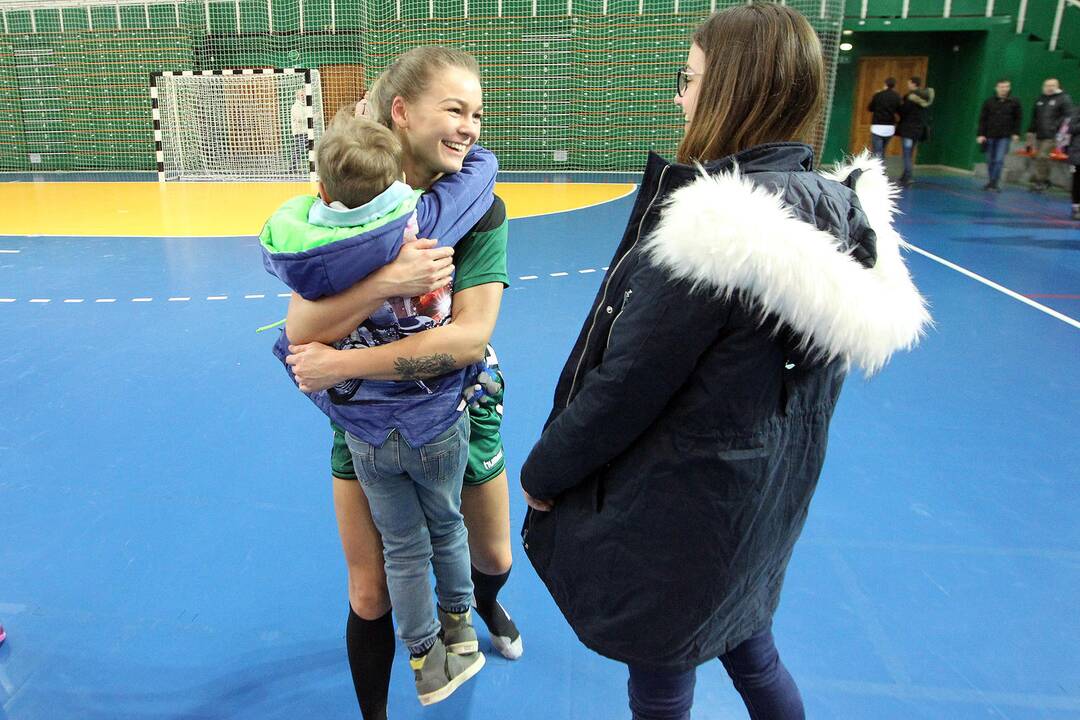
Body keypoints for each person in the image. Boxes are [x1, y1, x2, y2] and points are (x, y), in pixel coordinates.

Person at [518, 5, 931, 720]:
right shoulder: (840, 212)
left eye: (691, 78)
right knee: (752, 647)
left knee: (662, 679)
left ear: (734, 90)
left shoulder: (718, 233)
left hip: (679, 512)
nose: (681, 96)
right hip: (758, 506)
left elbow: (627, 383)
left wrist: (543, 472)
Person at [279, 46, 521, 720]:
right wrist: (388, 281)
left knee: (493, 552)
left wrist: (344, 363)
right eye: (455, 109)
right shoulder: (343, 206)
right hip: (363, 424)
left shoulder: (480, 211)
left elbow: (466, 339)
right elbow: (302, 322)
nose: (471, 126)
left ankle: (486, 604)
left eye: (477, 113)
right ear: (401, 111)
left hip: (457, 409)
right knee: (368, 591)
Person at [1027, 78, 1073, 192]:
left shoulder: (1064, 98)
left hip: (1053, 135)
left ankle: (1040, 181)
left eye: (1052, 85)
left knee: (1043, 156)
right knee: (1040, 157)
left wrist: (1057, 127)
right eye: (1047, 85)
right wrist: (1030, 131)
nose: (1050, 87)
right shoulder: (1040, 99)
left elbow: (1068, 116)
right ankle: (1045, 180)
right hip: (1039, 134)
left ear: (1057, 86)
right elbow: (1034, 117)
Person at [977, 78, 1022, 191]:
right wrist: (980, 134)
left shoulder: (1015, 102)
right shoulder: (988, 102)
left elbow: (1018, 119)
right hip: (989, 135)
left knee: (999, 160)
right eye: (1001, 87)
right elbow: (982, 119)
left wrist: (1016, 133)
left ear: (1009, 88)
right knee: (989, 159)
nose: (1004, 89)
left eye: (1006, 87)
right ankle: (991, 180)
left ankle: (994, 182)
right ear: (996, 88)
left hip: (1004, 136)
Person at [896, 76, 935, 187]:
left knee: (907, 154)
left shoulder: (910, 98)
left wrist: (899, 107)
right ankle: (905, 175)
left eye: (909, 83)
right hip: (918, 131)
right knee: (910, 153)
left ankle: (908, 177)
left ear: (913, 84)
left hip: (908, 129)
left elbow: (903, 112)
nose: (908, 85)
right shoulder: (926, 98)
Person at [867, 77, 901, 158]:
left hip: (877, 126)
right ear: (894, 86)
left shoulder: (878, 95)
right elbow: (899, 110)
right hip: (890, 127)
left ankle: (877, 168)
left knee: (877, 151)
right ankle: (881, 167)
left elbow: (870, 108)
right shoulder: (897, 96)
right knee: (882, 150)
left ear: (885, 84)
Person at [1067, 105, 1080, 220]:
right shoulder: (1076, 110)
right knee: (1077, 181)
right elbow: (1071, 128)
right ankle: (1076, 207)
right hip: (1077, 152)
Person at [290, 89, 309, 171]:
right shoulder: (295, 107)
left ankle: (314, 165)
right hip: (299, 132)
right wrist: (311, 117)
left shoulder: (305, 106)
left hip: (306, 131)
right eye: (301, 95)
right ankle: (293, 167)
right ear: (297, 96)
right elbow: (299, 119)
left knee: (310, 149)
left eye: (304, 95)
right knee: (298, 150)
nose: (303, 97)